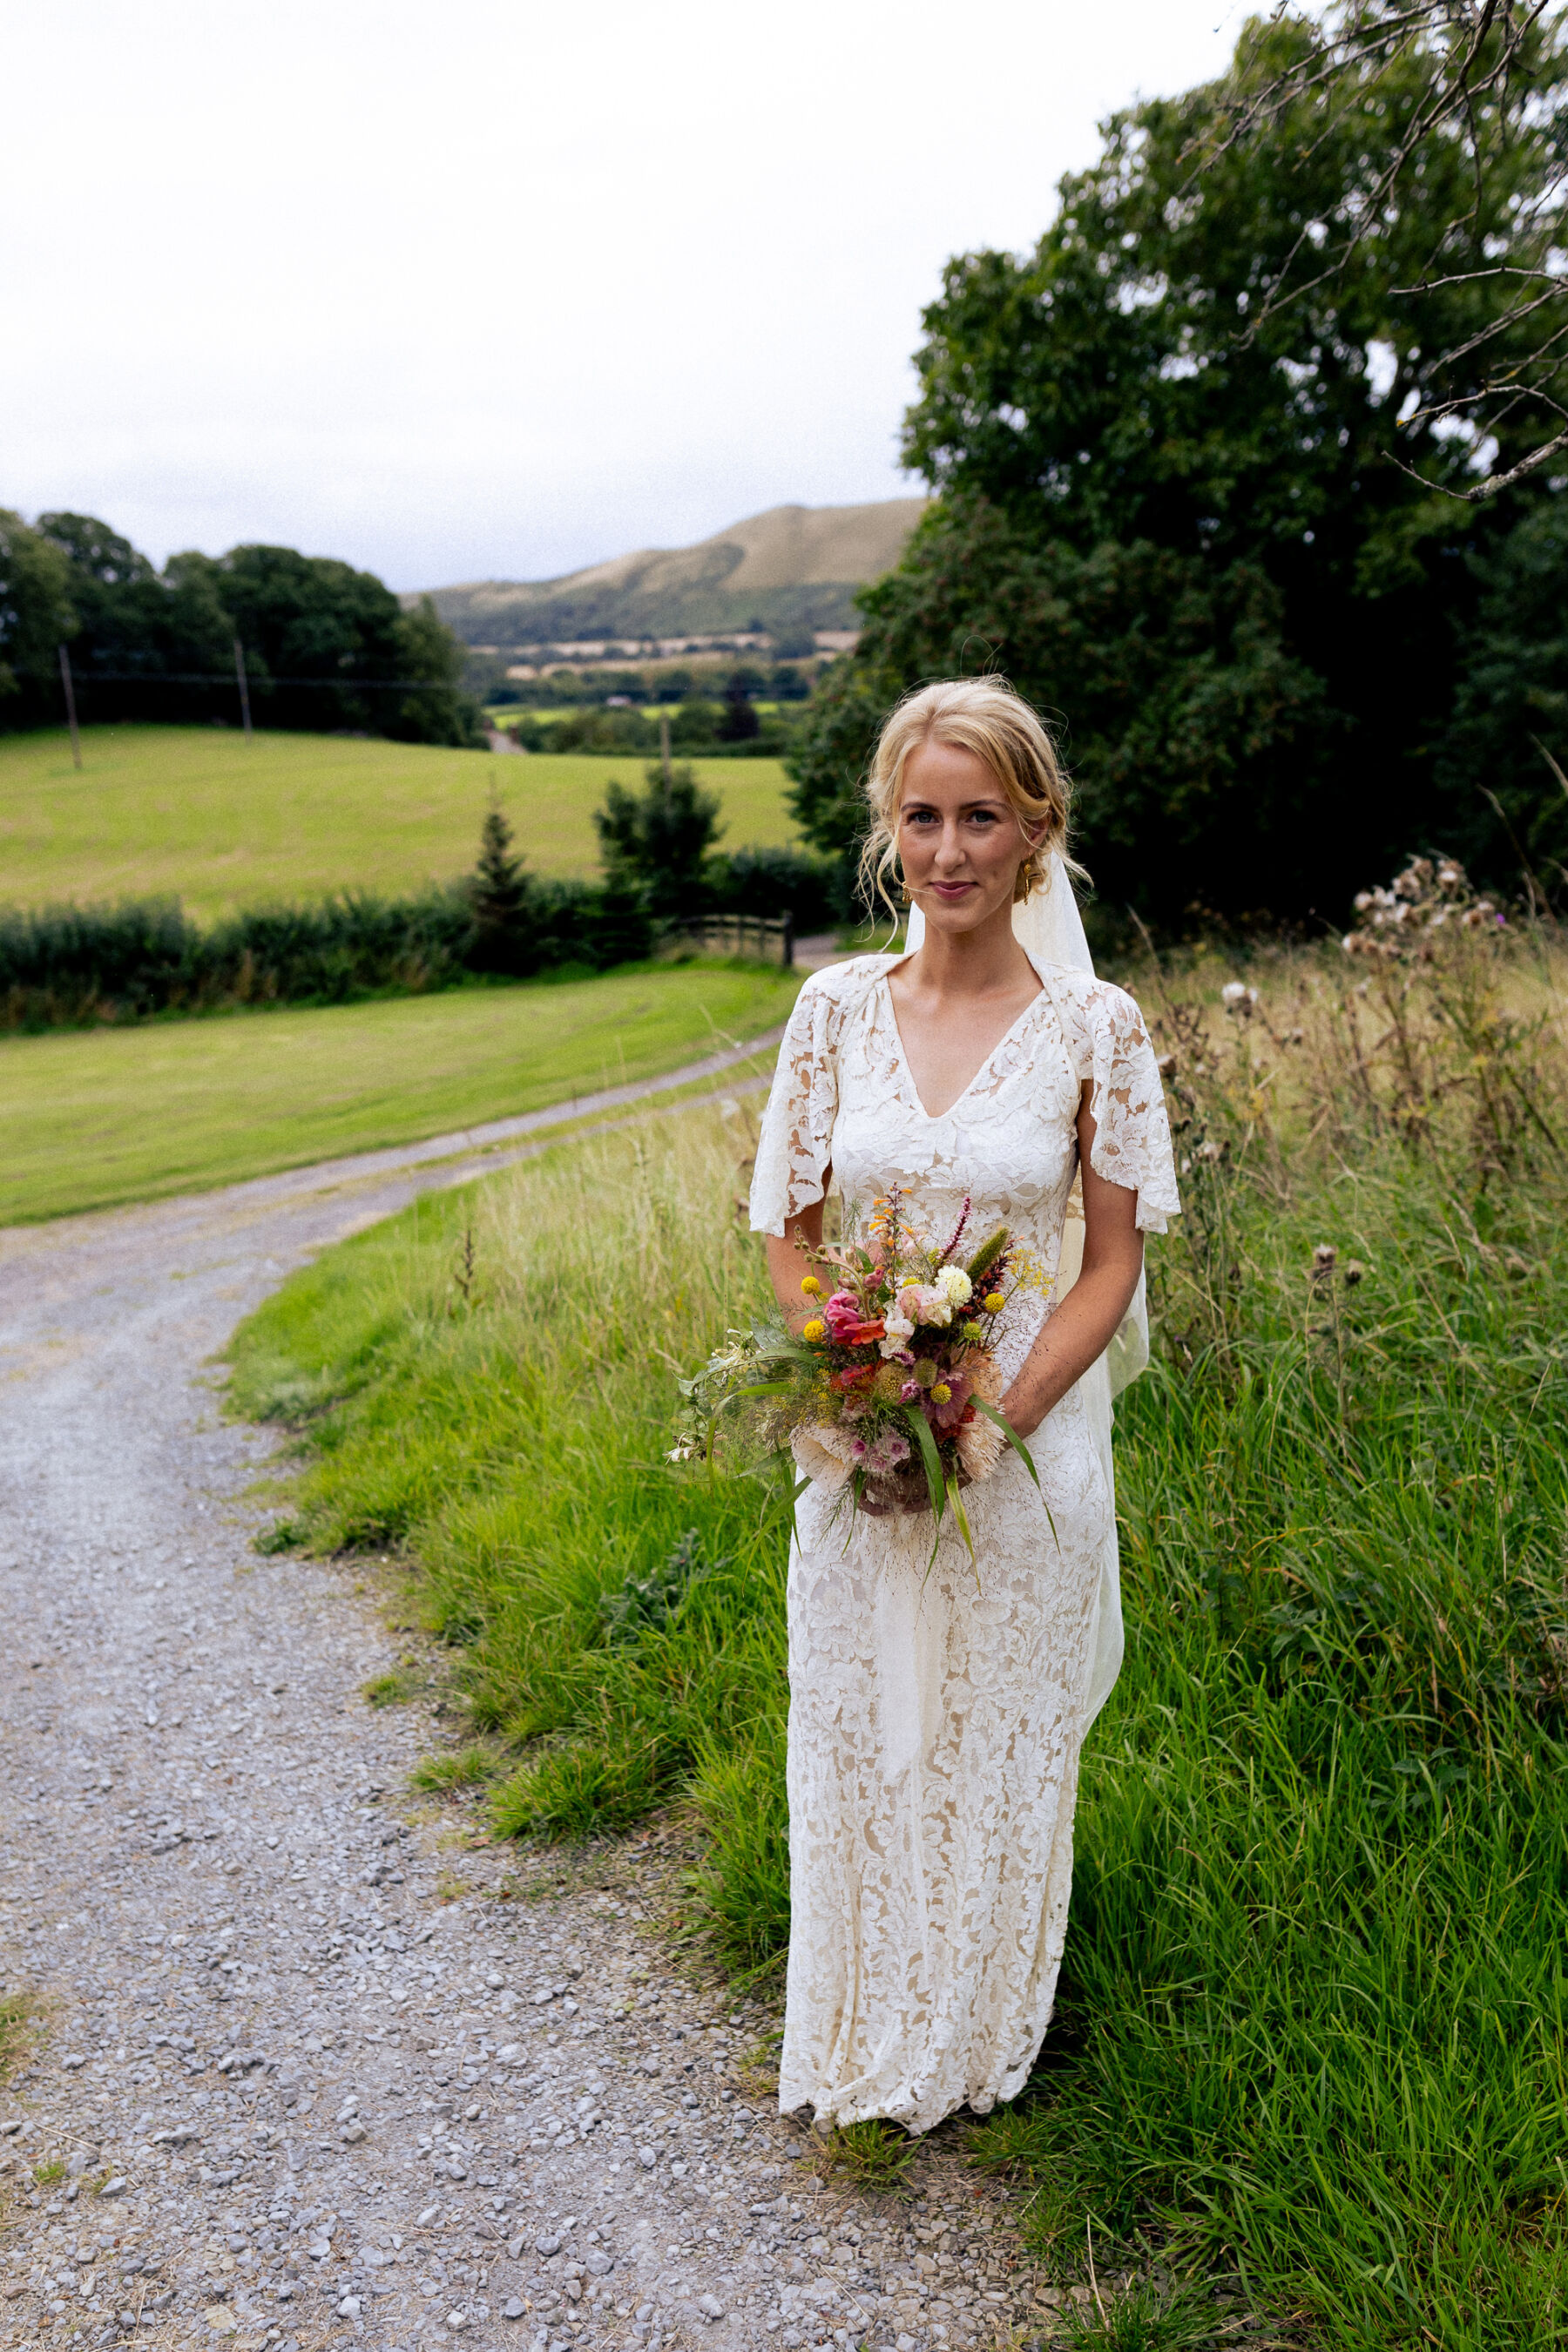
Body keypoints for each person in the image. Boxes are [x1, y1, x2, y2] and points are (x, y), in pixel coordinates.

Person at [747, 677, 1180, 2134]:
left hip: (1024, 1446)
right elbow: (789, 1235)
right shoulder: (832, 1013)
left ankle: (976, 2039)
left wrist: (995, 1413)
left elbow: (1109, 1260)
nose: (949, 849)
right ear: (890, 830)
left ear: (1034, 832)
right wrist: (864, 1389)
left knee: (996, 1732)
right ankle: (856, 2025)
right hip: (862, 1439)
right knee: (862, 1720)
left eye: (979, 816)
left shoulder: (1096, 1028)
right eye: (922, 816)